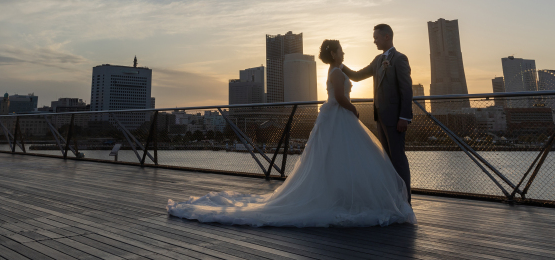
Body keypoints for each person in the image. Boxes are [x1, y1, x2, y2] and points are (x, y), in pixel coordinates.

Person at [167, 39, 415, 227]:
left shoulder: (335, 71)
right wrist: (353, 109)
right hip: (340, 116)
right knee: (346, 156)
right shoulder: (337, 72)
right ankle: (353, 197)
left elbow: (347, 82)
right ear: (333, 53)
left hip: (333, 117)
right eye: (340, 50)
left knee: (331, 158)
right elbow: (340, 97)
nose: (344, 52)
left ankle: (339, 194)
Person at [342, 23, 413, 202]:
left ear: (386, 37)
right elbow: (357, 76)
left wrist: (404, 117)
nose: (374, 41)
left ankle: (405, 200)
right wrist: (338, 65)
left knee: (398, 158)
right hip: (380, 116)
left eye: (376, 38)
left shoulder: (400, 59)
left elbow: (406, 90)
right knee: (387, 160)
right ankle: (393, 198)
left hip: (396, 118)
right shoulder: (377, 60)